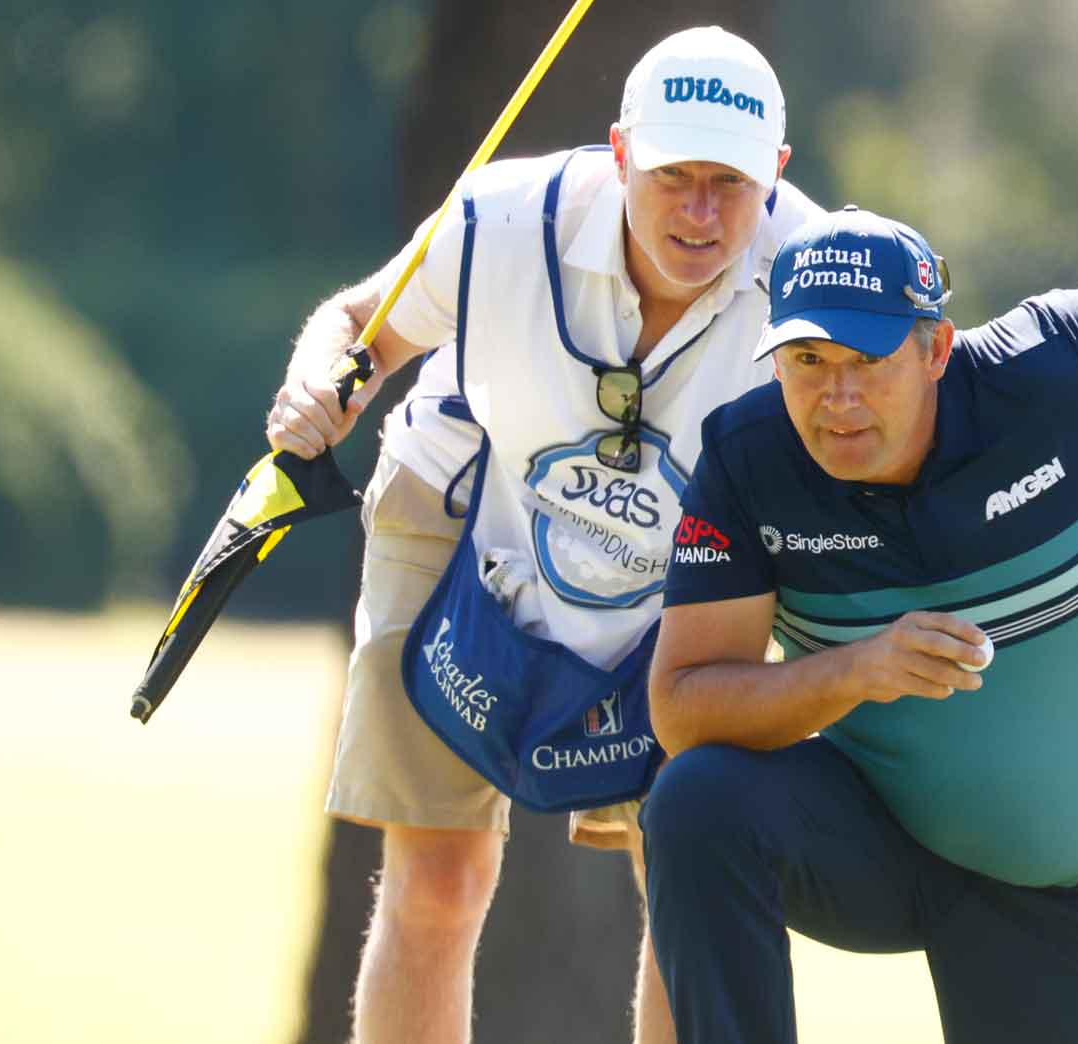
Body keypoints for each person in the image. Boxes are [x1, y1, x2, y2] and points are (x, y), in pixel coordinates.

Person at [263, 26, 822, 1044]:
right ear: (619, 156)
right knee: (435, 877)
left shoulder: (819, 273)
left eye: (729, 186)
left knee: (689, 884)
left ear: (775, 175)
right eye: (673, 177)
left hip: (686, 576)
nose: (699, 213)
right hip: (455, 513)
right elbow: (356, 326)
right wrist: (317, 386)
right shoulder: (500, 218)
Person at [640, 207, 1078, 1042]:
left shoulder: (1050, 368)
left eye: (867, 360)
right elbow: (683, 706)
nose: (836, 398)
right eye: (806, 360)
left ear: (936, 350)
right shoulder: (748, 461)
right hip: (883, 840)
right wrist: (853, 671)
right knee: (696, 803)